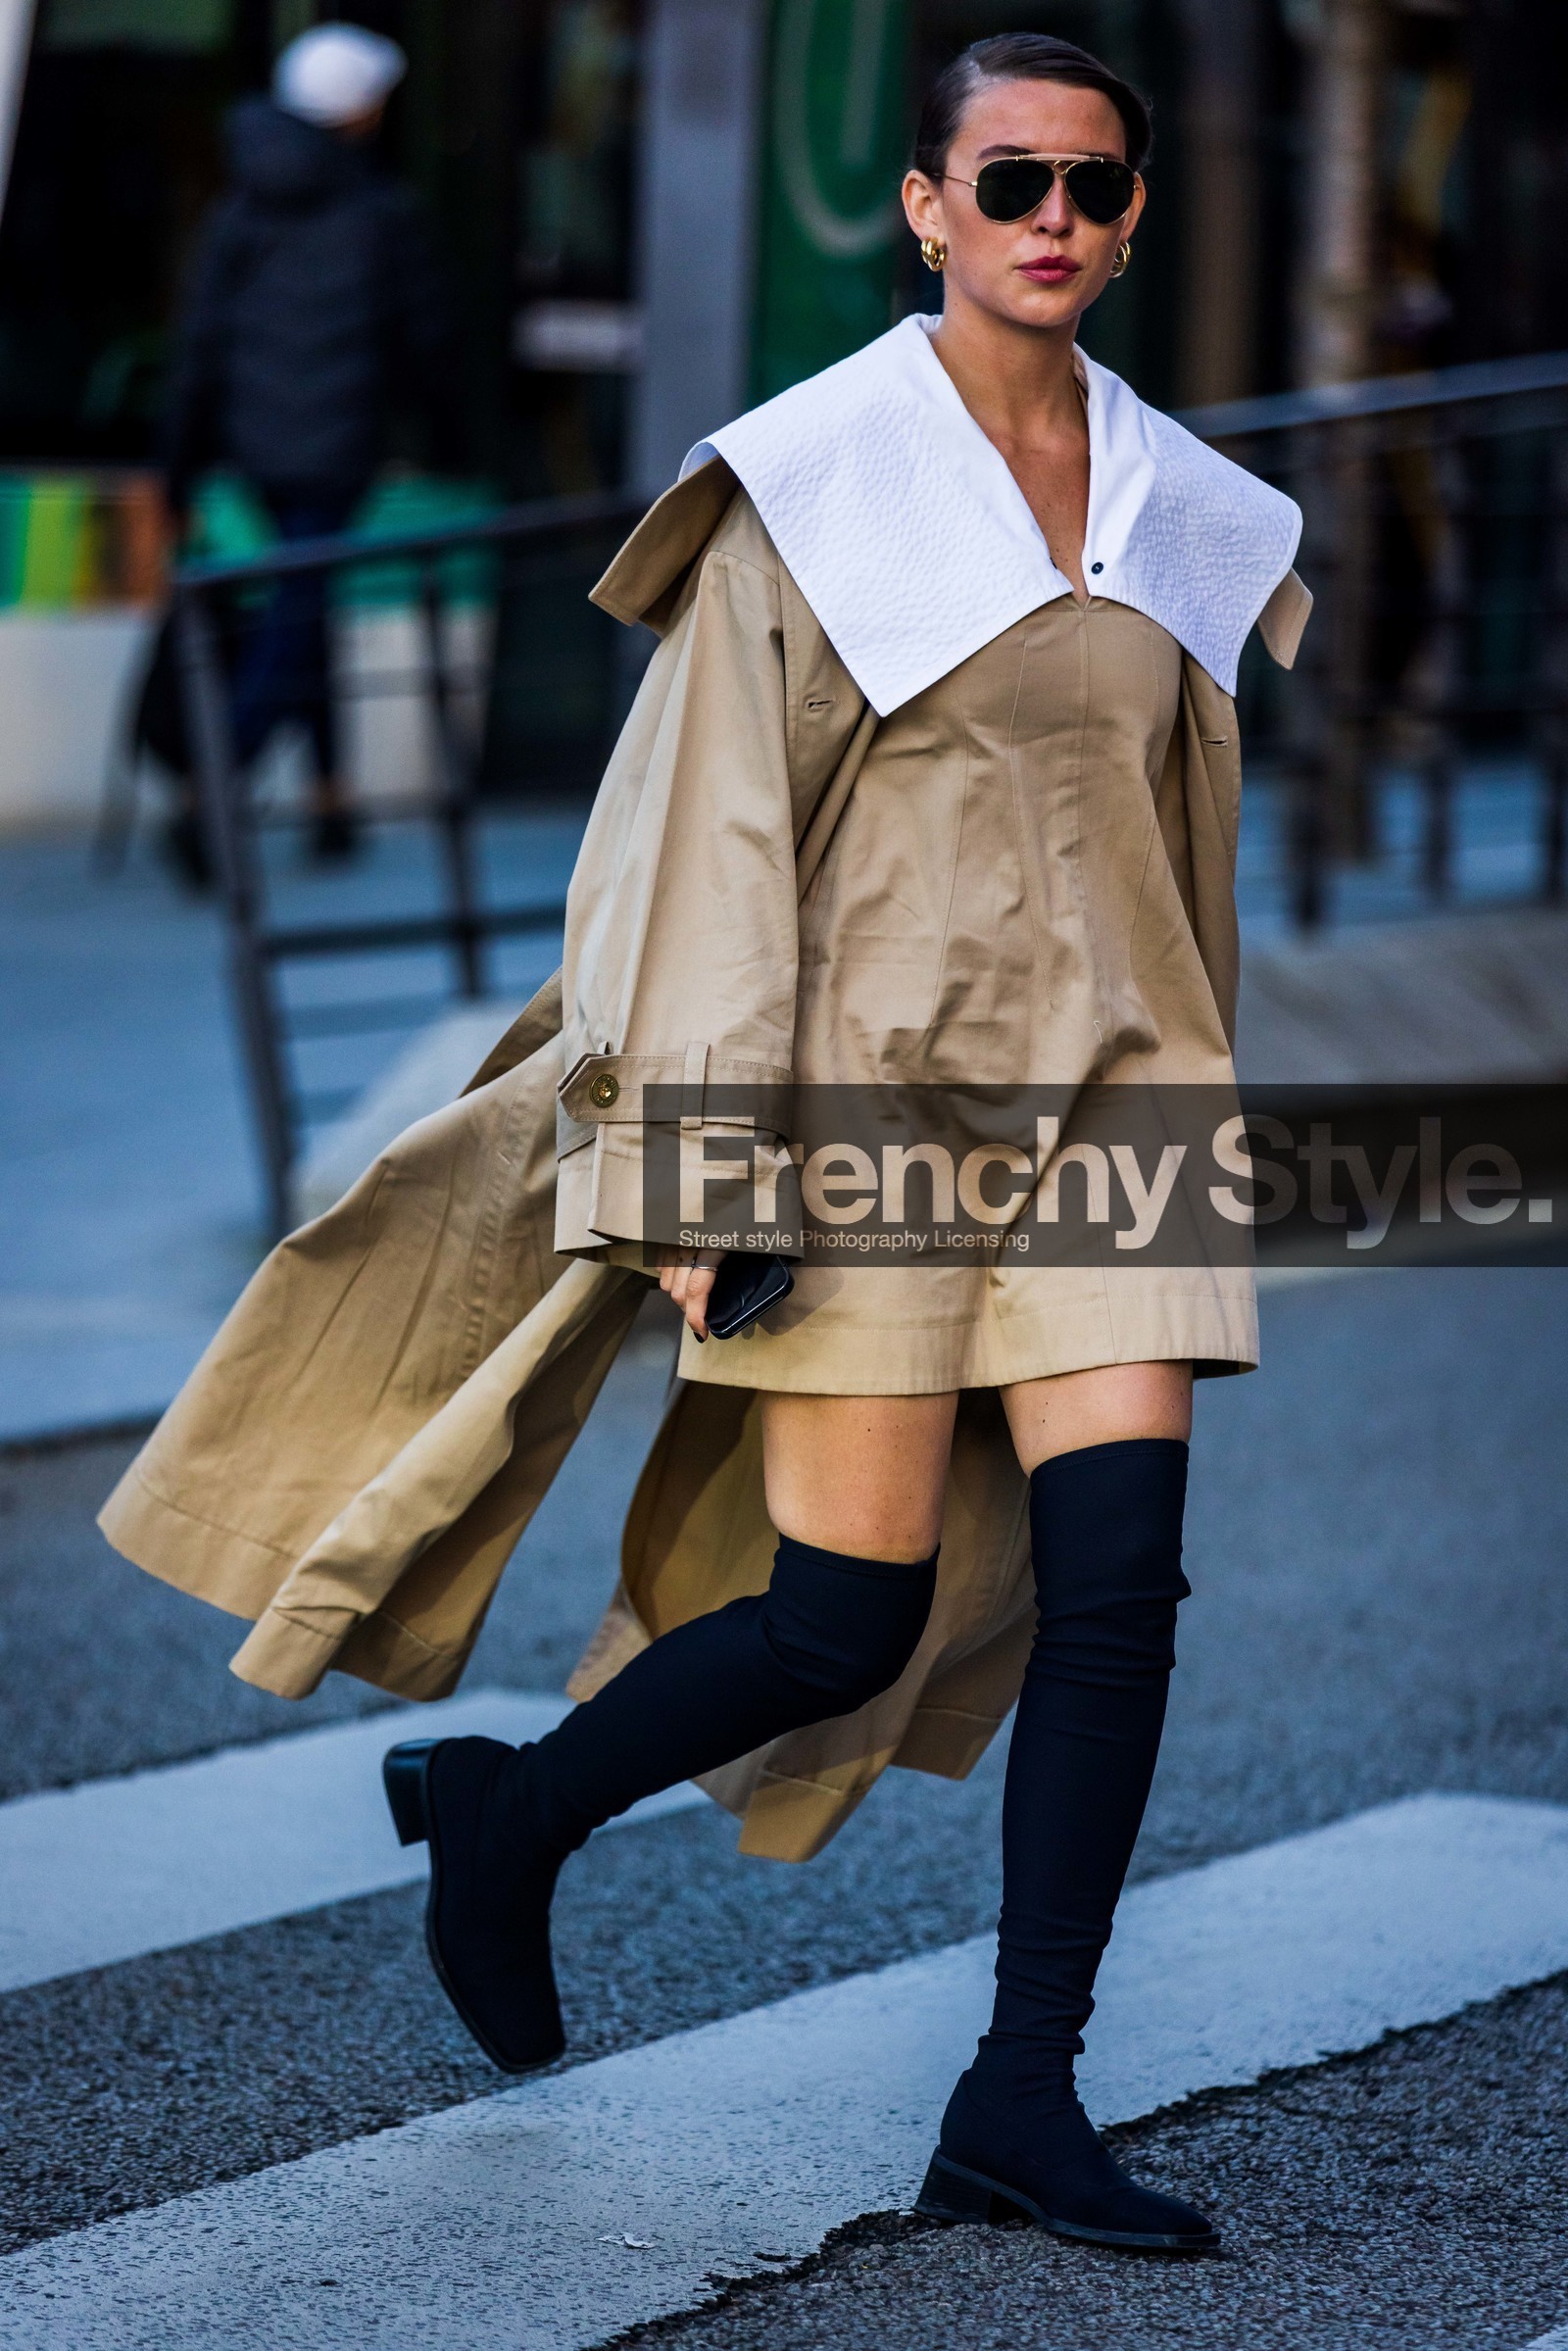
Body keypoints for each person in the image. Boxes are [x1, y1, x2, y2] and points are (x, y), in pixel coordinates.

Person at [102, 33, 1310, 2256]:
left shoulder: (1188, 515)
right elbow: (697, 849)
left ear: (1131, 220)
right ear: (925, 210)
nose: (1054, 215)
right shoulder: (818, 484)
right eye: (1008, 177)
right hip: (851, 1114)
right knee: (836, 1613)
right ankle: (511, 1808)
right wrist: (685, 1176)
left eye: (1095, 185)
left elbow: (1192, 849)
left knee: (1117, 1589)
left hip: (1114, 1111)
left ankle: (1017, 2088)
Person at [160, 23, 465, 860]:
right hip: (338, 449)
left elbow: (200, 346)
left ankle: (331, 800)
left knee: (305, 602)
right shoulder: (382, 214)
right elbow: (428, 341)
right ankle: (214, 782)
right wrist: (451, 437)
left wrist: (178, 468)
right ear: (358, 112)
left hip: (252, 447)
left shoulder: (238, 212)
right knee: (298, 607)